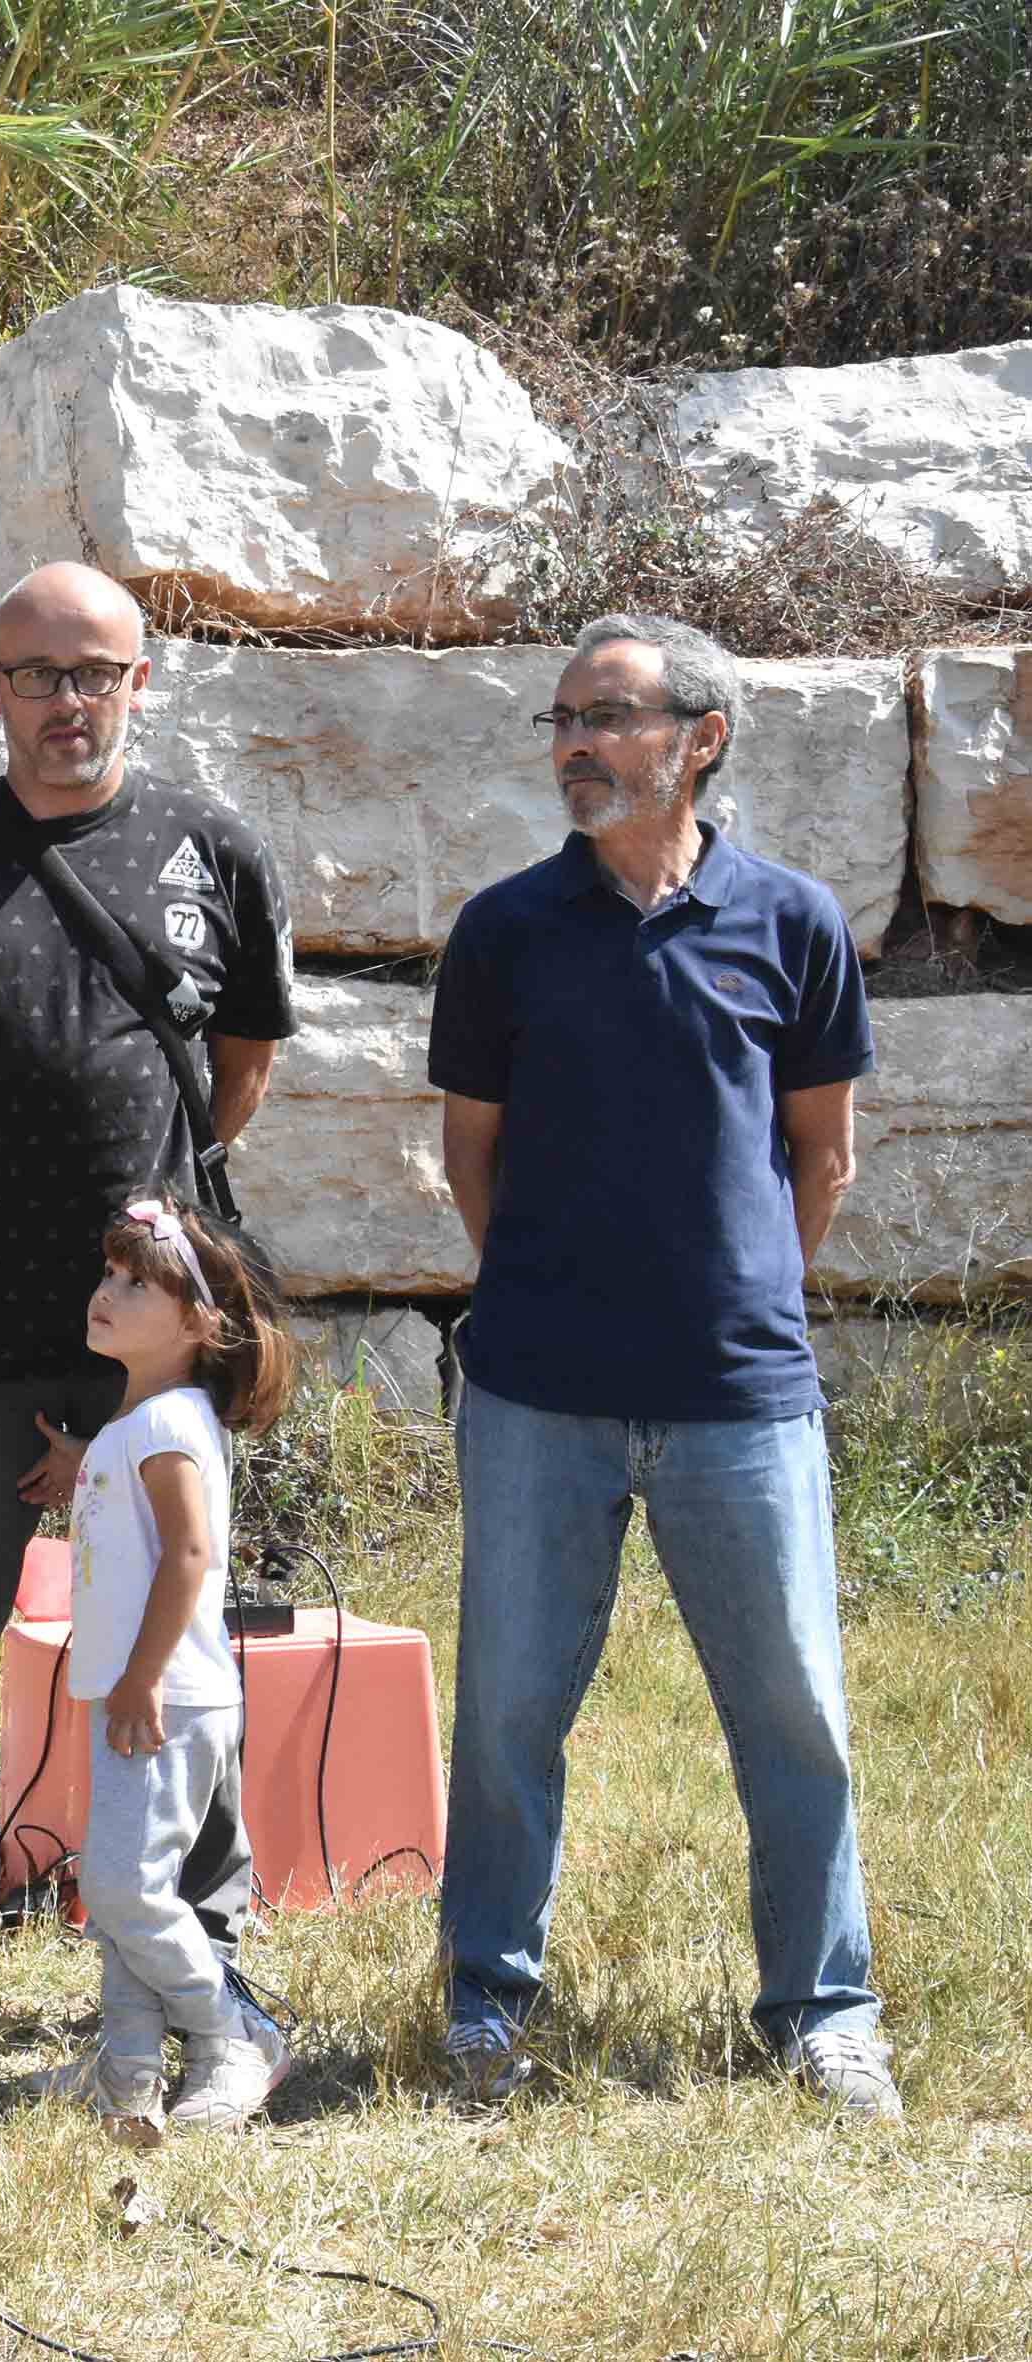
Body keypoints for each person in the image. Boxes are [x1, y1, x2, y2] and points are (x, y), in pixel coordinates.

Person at [0, 559, 297, 2070]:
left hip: (153, 1355)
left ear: (139, 683)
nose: (67, 701)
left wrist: (138, 1273)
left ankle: (201, 1948)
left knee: (181, 1643)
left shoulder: (212, 850)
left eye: (95, 672)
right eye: (36, 673)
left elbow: (235, 1075)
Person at [429, 613, 894, 2118]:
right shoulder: (503, 929)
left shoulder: (794, 921)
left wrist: (734, 1295)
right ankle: (484, 2000)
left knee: (794, 1716)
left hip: (738, 1396)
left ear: (700, 738)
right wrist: (547, 1294)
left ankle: (823, 2012)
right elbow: (472, 1155)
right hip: (534, 1391)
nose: (575, 741)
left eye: (609, 714)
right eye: (563, 717)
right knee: (507, 1714)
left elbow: (820, 1157)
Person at [40, 1196, 297, 2143]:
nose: (106, 1293)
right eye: (109, 1275)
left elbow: (191, 1555)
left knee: (122, 1888)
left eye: (136, 1285)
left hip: (162, 1697)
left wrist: (142, 1677)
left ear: (200, 1323)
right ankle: (127, 2071)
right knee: (125, 1885)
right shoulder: (146, 1420)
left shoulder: (166, 1426)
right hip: (142, 1691)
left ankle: (232, 2033)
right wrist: (86, 1464)